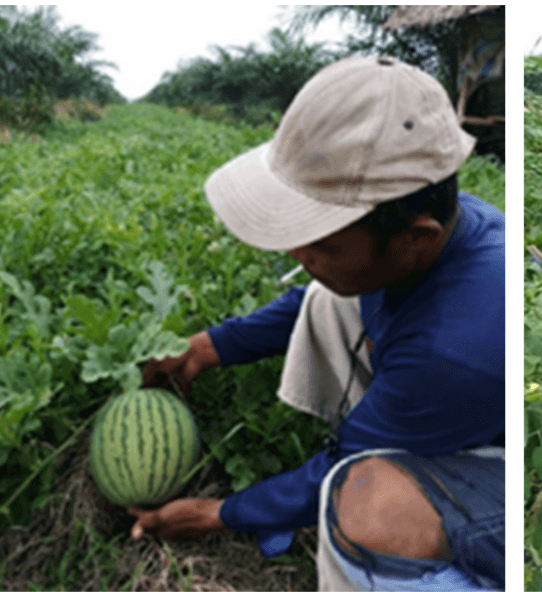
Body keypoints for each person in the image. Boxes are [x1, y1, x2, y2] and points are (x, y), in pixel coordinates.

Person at [126, 56, 505, 591]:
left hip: (517, 469)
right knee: (329, 297)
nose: (297, 251)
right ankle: (392, 428)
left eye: (320, 240)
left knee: (364, 500)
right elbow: (317, 294)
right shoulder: (438, 226)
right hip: (450, 393)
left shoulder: (453, 347)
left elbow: (340, 468)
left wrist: (218, 513)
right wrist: (209, 347)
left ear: (413, 238)